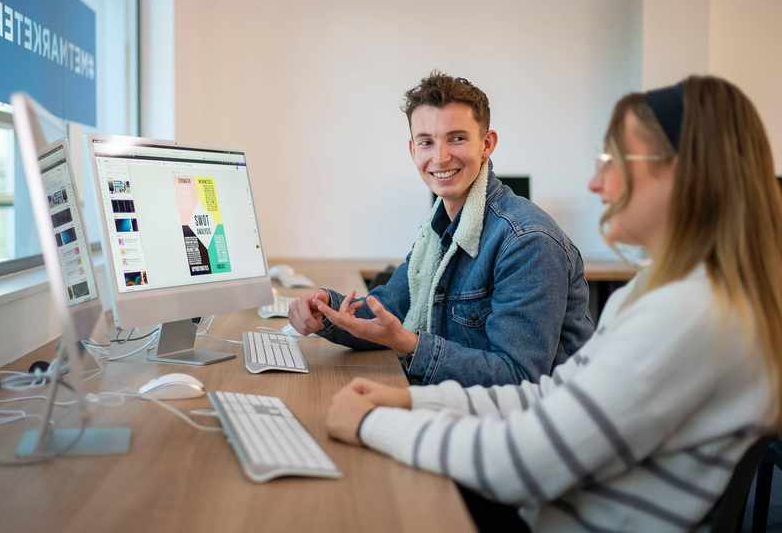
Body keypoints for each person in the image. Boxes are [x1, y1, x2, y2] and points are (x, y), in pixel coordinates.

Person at [322, 75, 782, 531]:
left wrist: (370, 424)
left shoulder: (689, 313)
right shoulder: (658, 291)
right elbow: (548, 396)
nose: (595, 184)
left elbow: (521, 465)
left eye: (613, 160)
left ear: (686, 173)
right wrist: (407, 401)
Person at [288, 71, 593, 387]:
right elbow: (388, 312)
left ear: (487, 144)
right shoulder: (437, 231)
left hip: (519, 426)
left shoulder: (527, 241)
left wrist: (409, 345)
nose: (440, 156)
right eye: (427, 142)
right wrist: (325, 308)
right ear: (413, 150)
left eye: (457, 138)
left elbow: (517, 377)